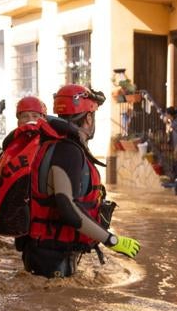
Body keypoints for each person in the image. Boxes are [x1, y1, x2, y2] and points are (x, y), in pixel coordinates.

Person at [19, 84, 141, 277]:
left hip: (41, 252)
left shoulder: (50, 144)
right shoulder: (68, 151)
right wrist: (112, 241)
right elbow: (66, 207)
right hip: (52, 259)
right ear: (89, 117)